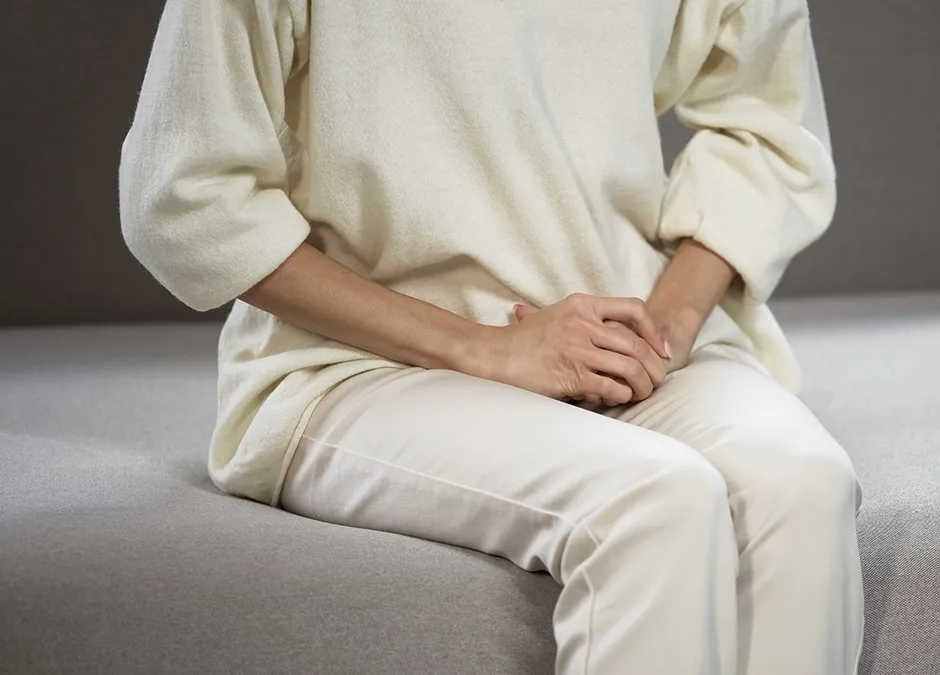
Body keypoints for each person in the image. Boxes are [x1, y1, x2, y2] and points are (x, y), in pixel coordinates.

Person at [118, 0, 864, 673]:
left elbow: (768, 123)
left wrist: (664, 325)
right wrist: (487, 347)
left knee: (804, 481)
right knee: (656, 503)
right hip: (354, 364)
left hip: (621, 329)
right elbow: (187, 192)